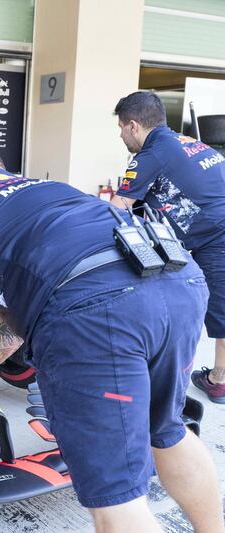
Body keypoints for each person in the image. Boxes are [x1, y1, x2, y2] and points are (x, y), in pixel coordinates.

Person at [0, 143, 223, 532]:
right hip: (177, 281)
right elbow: (20, 313)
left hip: (97, 310)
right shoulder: (52, 191)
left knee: (117, 496)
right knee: (165, 428)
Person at [110, 91, 225, 405]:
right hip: (213, 226)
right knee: (217, 307)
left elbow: (117, 208)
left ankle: (208, 378)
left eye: (120, 127)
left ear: (133, 125)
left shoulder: (153, 153)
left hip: (214, 233)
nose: (120, 134)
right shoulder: (189, 142)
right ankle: (219, 379)